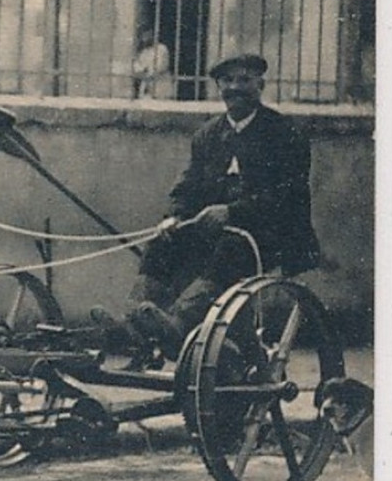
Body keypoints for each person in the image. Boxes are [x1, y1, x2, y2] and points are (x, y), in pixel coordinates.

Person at [122, 51, 320, 357]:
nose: (235, 88)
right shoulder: (207, 135)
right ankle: (135, 323)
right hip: (218, 233)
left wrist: (231, 211)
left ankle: (178, 322)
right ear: (218, 87)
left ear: (260, 85)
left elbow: (288, 196)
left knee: (231, 246)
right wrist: (173, 217)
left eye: (244, 80)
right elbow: (186, 188)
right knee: (161, 242)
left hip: (273, 235)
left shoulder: (285, 133)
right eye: (227, 81)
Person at [132, 18, 172, 98]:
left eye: (148, 34)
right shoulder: (143, 52)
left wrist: (146, 71)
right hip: (147, 87)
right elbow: (136, 68)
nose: (145, 38)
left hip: (161, 85)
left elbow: (160, 66)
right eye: (143, 35)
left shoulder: (161, 48)